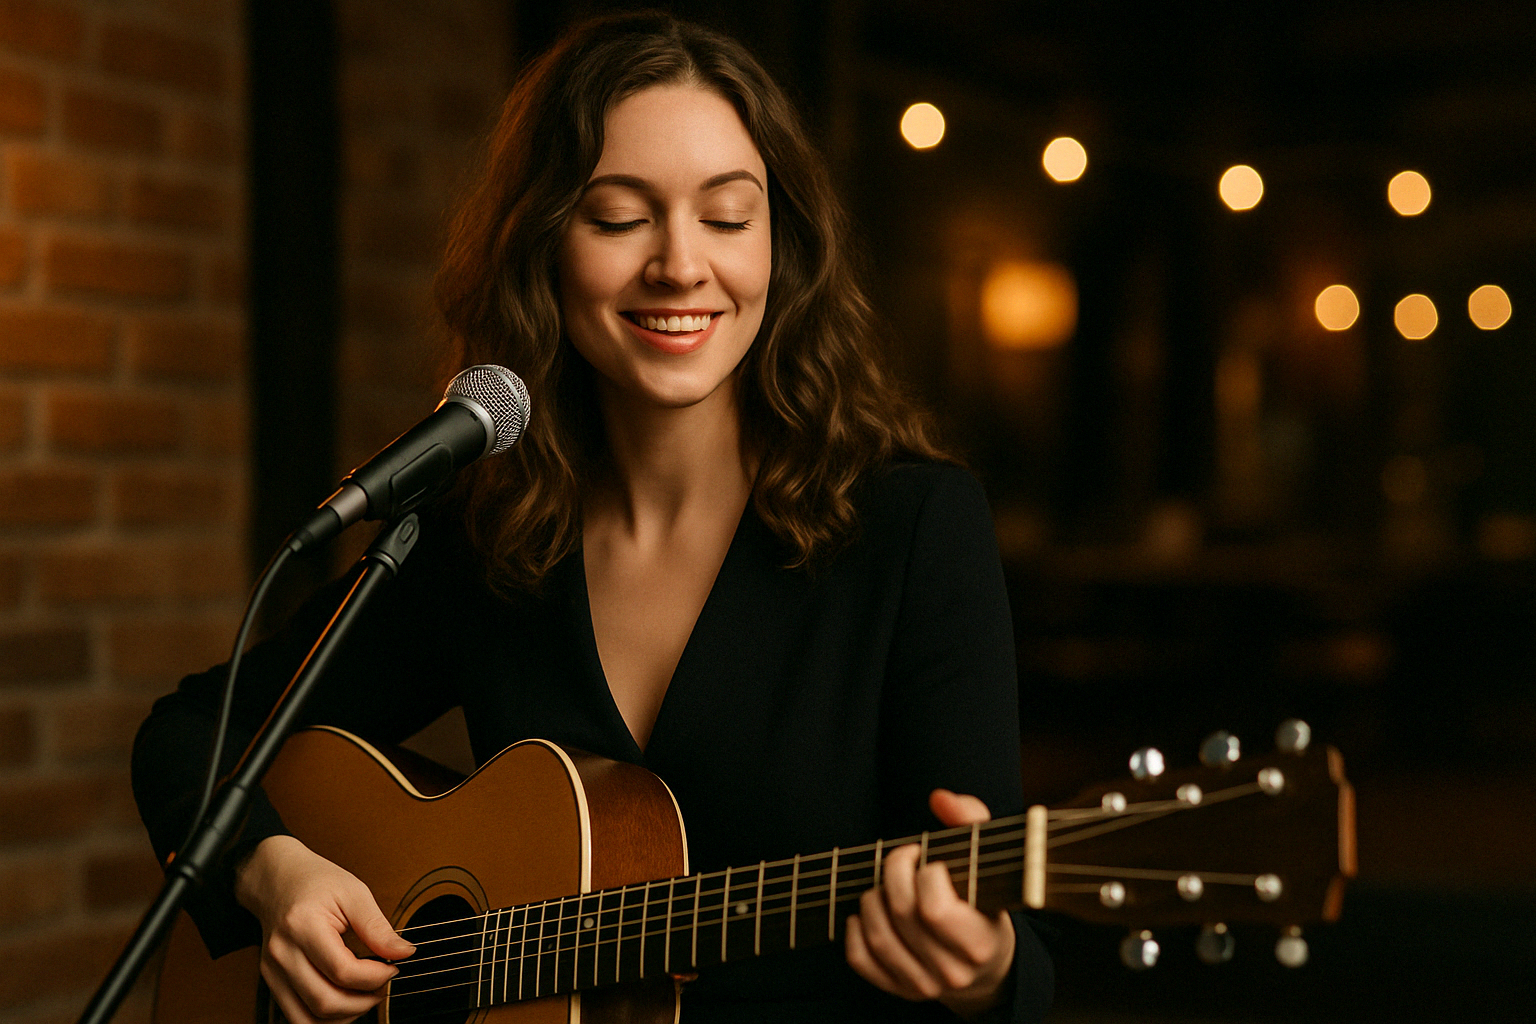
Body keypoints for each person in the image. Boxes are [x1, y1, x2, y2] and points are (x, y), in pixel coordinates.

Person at [133, 12, 1053, 1024]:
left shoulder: (911, 529)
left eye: (728, 215)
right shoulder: (491, 537)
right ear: (544, 249)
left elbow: (1020, 960)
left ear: (782, 244)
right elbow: (187, 736)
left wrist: (987, 970)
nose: (680, 264)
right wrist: (278, 875)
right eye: (618, 217)